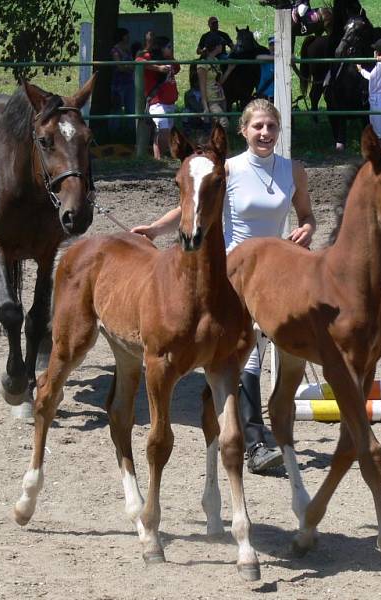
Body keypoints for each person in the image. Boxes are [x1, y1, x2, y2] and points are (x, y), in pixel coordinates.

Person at [131, 98, 317, 474]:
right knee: (243, 354)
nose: (265, 133)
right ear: (243, 131)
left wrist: (307, 228)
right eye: (258, 127)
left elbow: (307, 214)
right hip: (233, 272)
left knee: (283, 346)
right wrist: (154, 229)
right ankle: (254, 444)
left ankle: (269, 428)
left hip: (277, 271)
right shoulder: (226, 169)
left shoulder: (293, 170)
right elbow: (192, 204)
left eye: (271, 127)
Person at [136, 36, 181, 159]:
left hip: (170, 102)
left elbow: (177, 68)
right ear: (161, 48)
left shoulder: (169, 59)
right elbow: (138, 60)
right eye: (168, 47)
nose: (171, 49)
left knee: (166, 132)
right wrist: (157, 68)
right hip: (158, 102)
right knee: (163, 130)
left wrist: (170, 57)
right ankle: (160, 157)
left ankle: (159, 158)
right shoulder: (151, 58)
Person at [356, 38, 381, 140]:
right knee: (376, 132)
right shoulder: (377, 66)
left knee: (380, 134)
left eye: (375, 50)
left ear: (378, 53)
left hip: (379, 101)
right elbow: (371, 78)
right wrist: (361, 70)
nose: (373, 52)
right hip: (375, 101)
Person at [196, 33, 229, 130]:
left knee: (217, 128)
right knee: (224, 123)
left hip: (221, 97)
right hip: (212, 100)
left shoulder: (216, 60)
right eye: (221, 44)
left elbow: (219, 82)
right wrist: (205, 107)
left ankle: (215, 144)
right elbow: (202, 87)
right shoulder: (202, 65)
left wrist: (229, 70)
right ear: (216, 46)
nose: (222, 46)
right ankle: (221, 144)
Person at [109, 28, 135, 138]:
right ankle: (114, 133)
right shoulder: (115, 50)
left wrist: (128, 67)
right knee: (117, 109)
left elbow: (131, 65)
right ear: (122, 36)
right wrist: (129, 67)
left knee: (131, 108)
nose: (128, 37)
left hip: (129, 82)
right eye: (126, 35)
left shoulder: (128, 49)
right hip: (118, 85)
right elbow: (119, 66)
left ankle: (131, 132)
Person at [255, 35, 276, 102]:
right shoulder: (265, 59)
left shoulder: (284, 59)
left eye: (276, 44)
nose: (274, 47)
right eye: (271, 45)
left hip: (279, 96)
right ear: (269, 47)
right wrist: (277, 58)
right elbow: (258, 57)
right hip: (265, 96)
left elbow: (293, 57)